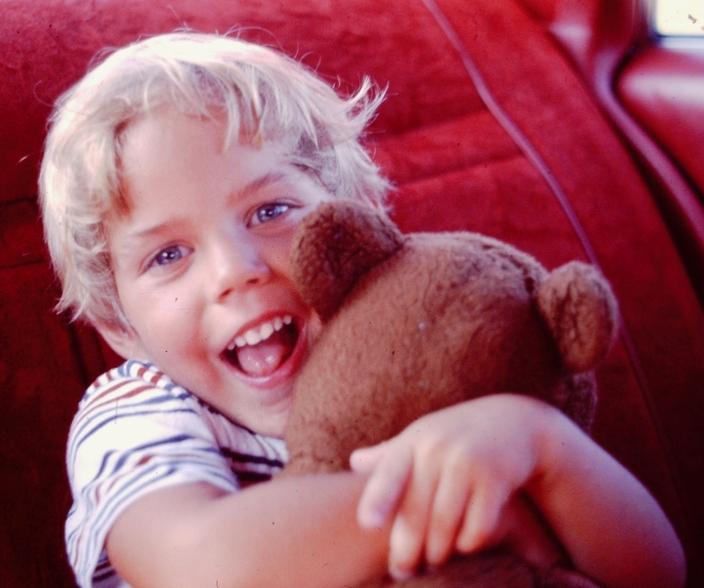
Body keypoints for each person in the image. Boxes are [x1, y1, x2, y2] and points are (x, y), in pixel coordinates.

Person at [39, 31, 685, 588]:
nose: (236, 271)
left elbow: (657, 574)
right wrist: (455, 508)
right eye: (168, 256)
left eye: (270, 212)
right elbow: (199, 566)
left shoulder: (425, 348)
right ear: (120, 325)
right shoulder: (136, 410)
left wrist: (543, 449)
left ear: (356, 227)